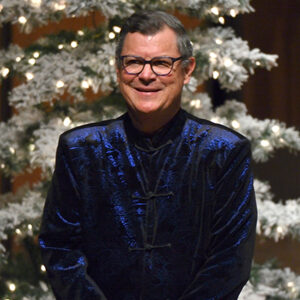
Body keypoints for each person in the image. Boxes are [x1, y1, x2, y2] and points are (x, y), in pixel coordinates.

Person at [39, 10, 257, 300]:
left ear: (187, 70)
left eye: (161, 63)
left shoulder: (225, 152)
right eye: (133, 63)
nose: (145, 74)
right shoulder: (79, 148)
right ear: (119, 70)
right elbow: (60, 249)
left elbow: (231, 260)